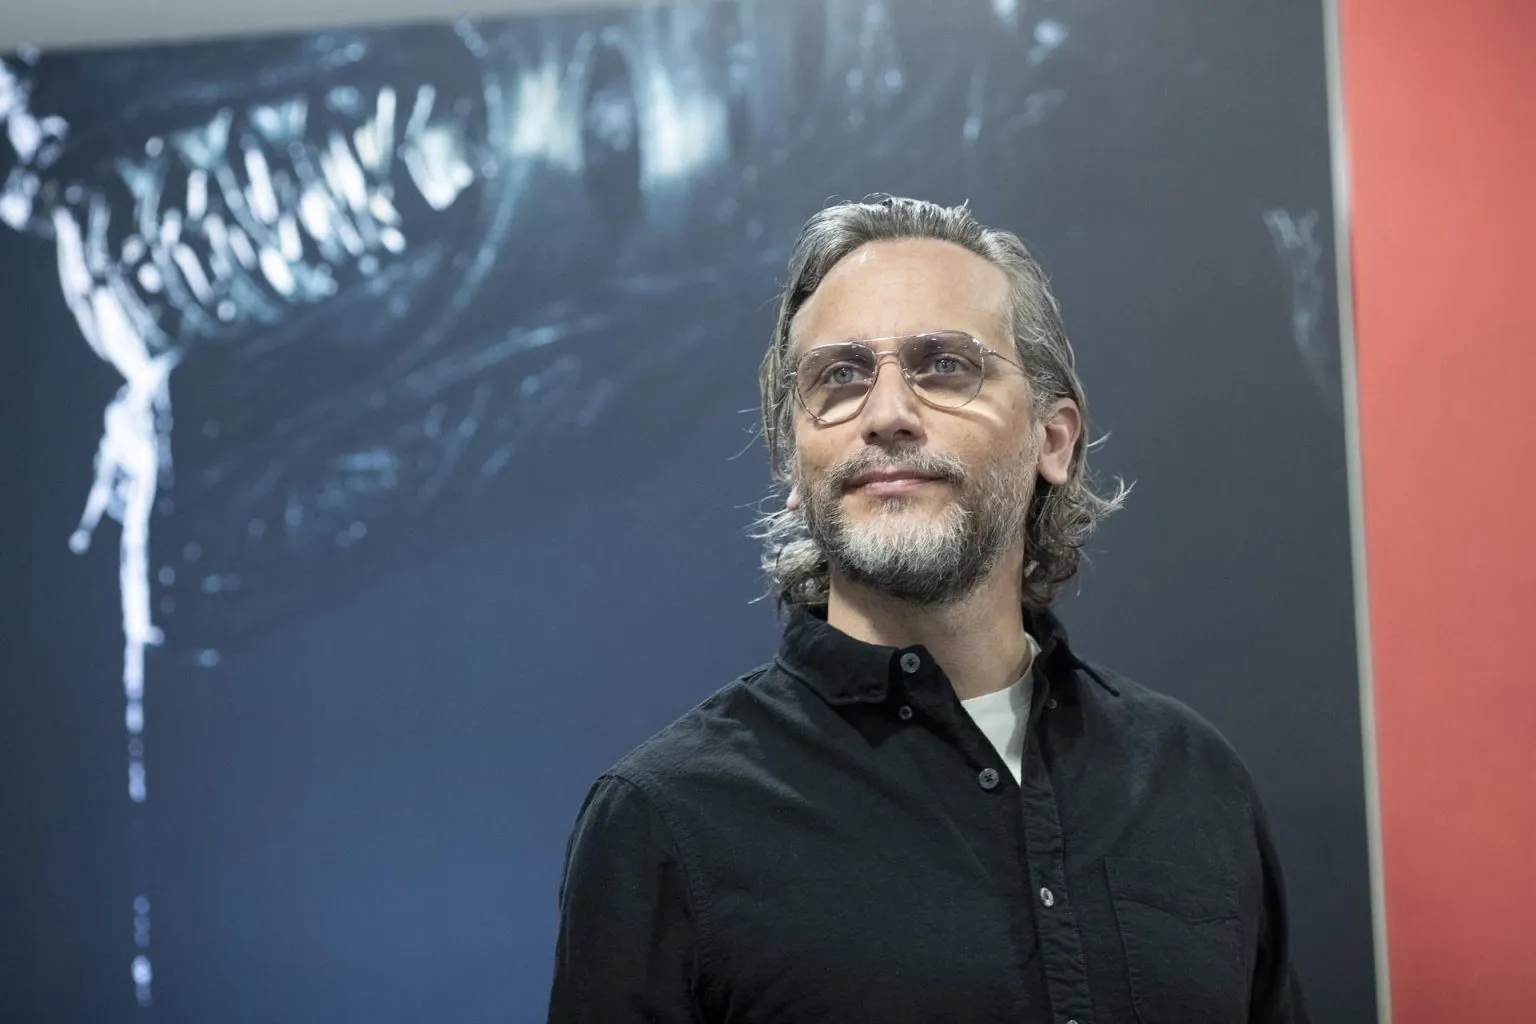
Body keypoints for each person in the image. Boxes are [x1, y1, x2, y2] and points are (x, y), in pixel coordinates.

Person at [547, 196, 1310, 1023]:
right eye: (840, 377)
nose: (886, 415)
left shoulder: (1193, 781)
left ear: (1053, 440)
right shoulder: (666, 821)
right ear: (792, 459)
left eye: (944, 365)